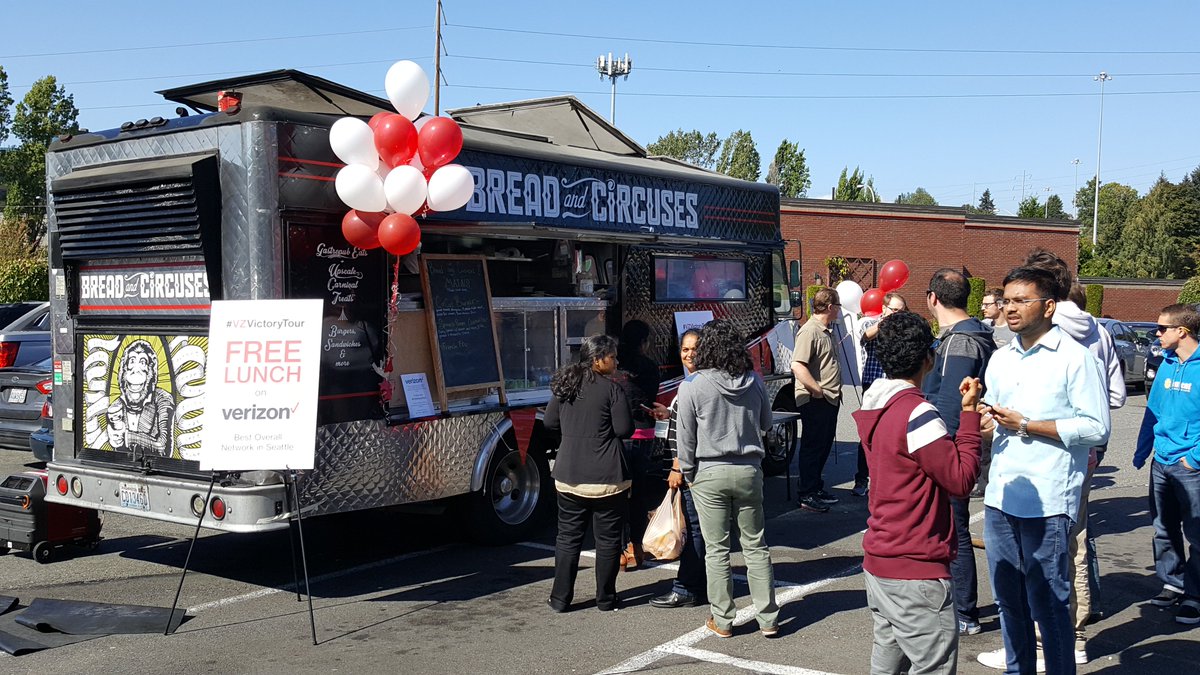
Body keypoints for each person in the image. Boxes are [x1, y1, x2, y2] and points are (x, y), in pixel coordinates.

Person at [975, 266, 1110, 674]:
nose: (1009, 308)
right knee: (1008, 601)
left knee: (1049, 603)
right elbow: (994, 417)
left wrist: (1027, 424)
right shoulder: (1001, 357)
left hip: (1048, 502)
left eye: (1020, 301)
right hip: (1000, 496)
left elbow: (1096, 426)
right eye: (1006, 301)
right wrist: (985, 423)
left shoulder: (1075, 359)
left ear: (1049, 306)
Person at [854, 310, 982, 675]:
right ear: (928, 358)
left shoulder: (875, 402)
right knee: (934, 666)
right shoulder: (918, 412)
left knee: (887, 660)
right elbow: (959, 480)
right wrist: (970, 418)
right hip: (915, 566)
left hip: (881, 559)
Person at [1030, 253, 1125, 665]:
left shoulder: (1043, 333)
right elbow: (1118, 395)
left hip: (1047, 445)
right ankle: (1077, 636)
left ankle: (1045, 642)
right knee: (1075, 542)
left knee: (1042, 543)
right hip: (1086, 449)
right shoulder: (1100, 333)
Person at [676, 319, 778, 638]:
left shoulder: (692, 385)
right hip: (749, 470)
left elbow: (685, 440)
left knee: (717, 549)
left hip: (708, 473)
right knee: (755, 545)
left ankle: (722, 620)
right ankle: (768, 618)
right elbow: (766, 423)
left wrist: (689, 475)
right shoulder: (754, 380)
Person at [923, 269, 997, 637]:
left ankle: (964, 612)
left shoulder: (960, 342)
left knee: (954, 530)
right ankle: (962, 608)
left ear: (932, 298)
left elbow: (950, 405)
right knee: (956, 528)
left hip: (952, 448)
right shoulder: (977, 335)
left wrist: (941, 453)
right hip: (968, 444)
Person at [543, 335, 634, 613]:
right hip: (607, 478)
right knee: (607, 540)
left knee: (568, 538)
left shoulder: (565, 386)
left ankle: (560, 599)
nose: (617, 361)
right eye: (613, 357)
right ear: (597, 359)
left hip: (569, 474)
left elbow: (549, 422)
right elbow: (624, 430)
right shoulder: (612, 390)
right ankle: (605, 599)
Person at [1133, 303, 1200, 625]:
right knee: (1163, 528)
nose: (1156, 334)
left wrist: (1194, 458)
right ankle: (1173, 581)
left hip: (1191, 467)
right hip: (1161, 461)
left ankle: (1195, 595)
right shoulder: (1166, 365)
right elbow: (1152, 412)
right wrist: (1143, 449)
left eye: (1161, 328)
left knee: (1197, 534)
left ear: (1181, 332)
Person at [650, 328, 709, 608]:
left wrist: (677, 467)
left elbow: (690, 435)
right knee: (700, 529)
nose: (689, 354)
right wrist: (668, 414)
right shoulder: (692, 382)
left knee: (695, 529)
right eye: (684, 349)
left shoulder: (697, 383)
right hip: (694, 469)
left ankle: (686, 587)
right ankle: (703, 583)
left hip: (690, 471)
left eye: (694, 348)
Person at [615, 320, 662, 570]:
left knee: (619, 492)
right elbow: (651, 399)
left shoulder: (615, 369)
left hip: (618, 437)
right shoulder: (650, 368)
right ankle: (638, 546)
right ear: (643, 343)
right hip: (643, 434)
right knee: (640, 493)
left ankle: (621, 550)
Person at [792, 287, 843, 513]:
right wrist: (817, 390)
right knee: (813, 447)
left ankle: (816, 487)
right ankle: (807, 493)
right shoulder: (810, 331)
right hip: (816, 400)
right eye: (839, 306)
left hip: (829, 399)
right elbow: (797, 365)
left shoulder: (826, 330)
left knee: (823, 445)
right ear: (830, 307)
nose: (841, 310)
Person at [853, 292, 908, 497]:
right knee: (869, 433)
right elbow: (864, 337)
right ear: (884, 308)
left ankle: (888, 481)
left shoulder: (902, 329)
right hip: (874, 384)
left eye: (900, 311)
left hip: (896, 384)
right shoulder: (871, 323)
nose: (896, 314)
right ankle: (861, 479)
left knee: (894, 433)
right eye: (893, 309)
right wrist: (884, 323)